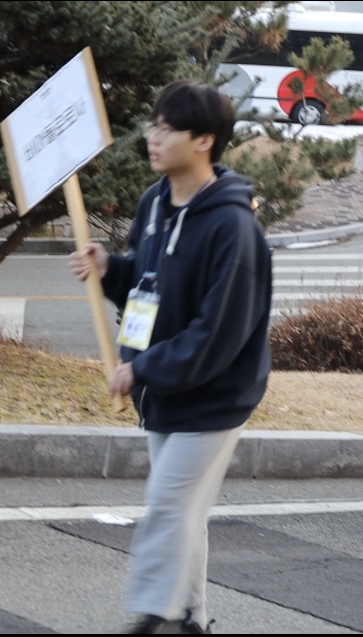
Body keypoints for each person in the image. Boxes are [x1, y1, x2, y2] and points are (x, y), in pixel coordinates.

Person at [68, 80, 272, 634]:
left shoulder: (234, 227)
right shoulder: (155, 202)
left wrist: (142, 367)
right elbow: (148, 281)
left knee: (168, 502)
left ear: (204, 140)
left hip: (215, 395)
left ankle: (154, 614)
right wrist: (112, 268)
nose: (151, 137)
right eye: (151, 125)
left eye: (165, 128)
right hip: (161, 391)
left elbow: (218, 332)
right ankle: (192, 617)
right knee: (186, 512)